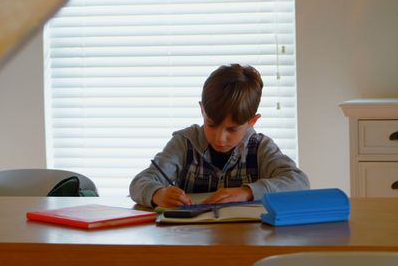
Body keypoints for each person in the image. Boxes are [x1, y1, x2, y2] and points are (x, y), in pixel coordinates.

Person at [129, 64, 310, 208]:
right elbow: (139, 183)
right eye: (212, 124)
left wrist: (247, 192)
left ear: (251, 122)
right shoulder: (184, 143)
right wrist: (157, 194)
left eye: (232, 130)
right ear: (202, 110)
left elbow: (300, 183)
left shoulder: (260, 147)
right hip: (189, 240)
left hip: (246, 241)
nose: (219, 138)